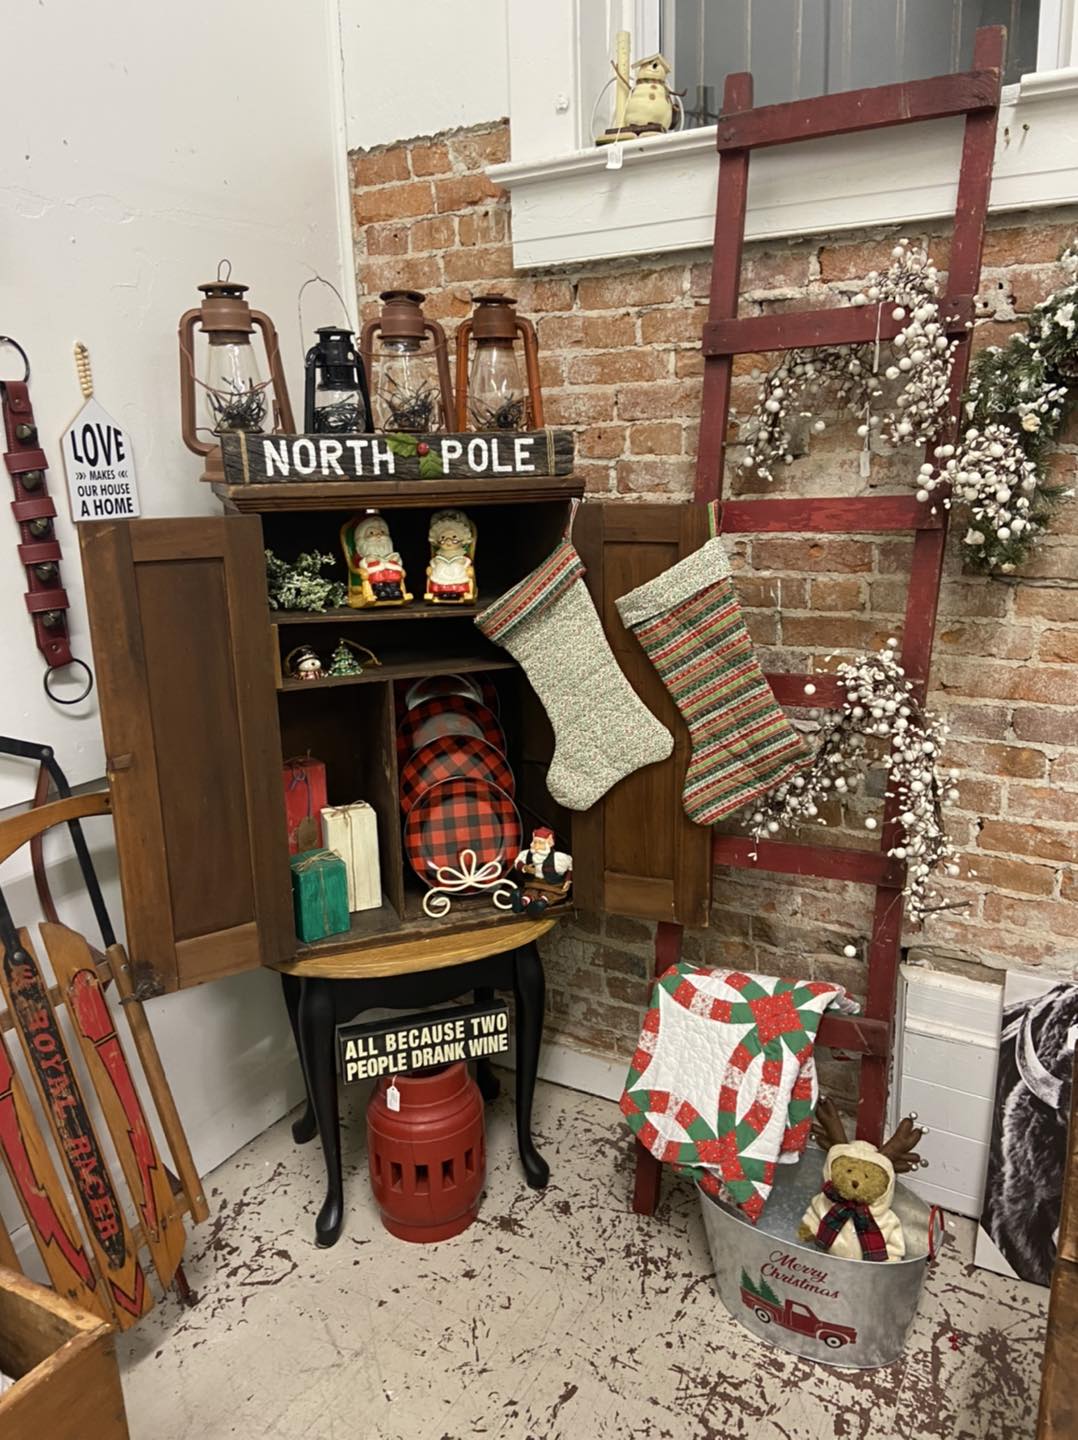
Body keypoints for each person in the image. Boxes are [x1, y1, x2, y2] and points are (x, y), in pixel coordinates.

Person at [509, 828, 572, 915]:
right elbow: (517, 863)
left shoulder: (558, 858)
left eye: (540, 843)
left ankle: (539, 905)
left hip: (552, 885)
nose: (537, 846)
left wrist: (568, 880)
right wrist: (525, 867)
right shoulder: (527, 854)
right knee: (530, 893)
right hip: (533, 883)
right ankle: (522, 903)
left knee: (548, 895)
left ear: (549, 843)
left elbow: (570, 866)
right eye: (535, 842)